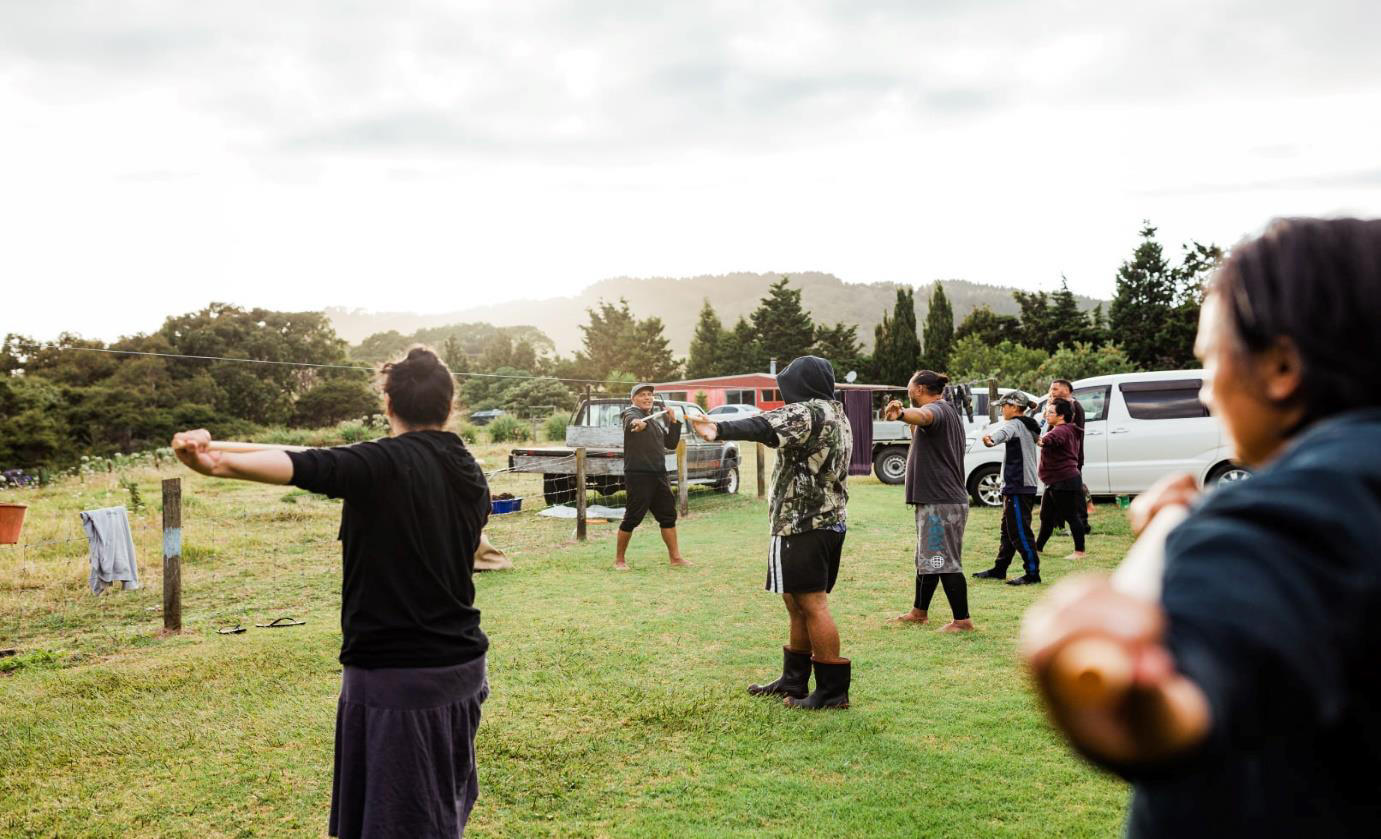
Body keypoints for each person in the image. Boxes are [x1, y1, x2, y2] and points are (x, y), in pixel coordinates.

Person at [1021, 218, 1381, 837]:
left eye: (1210, 361)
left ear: (1282, 366)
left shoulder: (1286, 514)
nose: (1210, 394)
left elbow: (1200, 673)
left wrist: (1128, 690)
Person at [170, 347, 491, 839]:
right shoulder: (468, 469)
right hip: (461, 671)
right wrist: (217, 457)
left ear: (388, 403)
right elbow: (307, 460)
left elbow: (301, 465)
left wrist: (209, 460)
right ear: (450, 405)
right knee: (436, 813)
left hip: (398, 680)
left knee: (398, 824)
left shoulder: (379, 463)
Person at [690, 356, 853, 709]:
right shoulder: (834, 412)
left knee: (812, 603)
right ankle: (793, 680)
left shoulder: (810, 412)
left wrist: (717, 429)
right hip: (821, 521)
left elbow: (765, 424)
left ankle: (832, 692)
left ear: (802, 385)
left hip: (804, 522)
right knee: (797, 603)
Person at [886, 370, 974, 630]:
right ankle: (919, 611)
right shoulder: (946, 411)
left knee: (942, 560)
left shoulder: (937, 410)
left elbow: (924, 415)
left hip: (941, 502)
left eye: (909, 387)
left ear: (920, 389)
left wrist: (901, 414)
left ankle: (962, 620)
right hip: (937, 500)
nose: (908, 391)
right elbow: (921, 421)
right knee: (929, 557)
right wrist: (908, 418)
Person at [971, 390, 1043, 585]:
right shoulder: (1029, 425)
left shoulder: (1015, 424)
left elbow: (1001, 434)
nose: (1002, 409)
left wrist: (990, 440)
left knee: (1019, 531)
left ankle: (1032, 573)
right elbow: (1038, 439)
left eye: (1004, 406)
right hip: (1019, 485)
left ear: (1014, 407)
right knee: (1009, 530)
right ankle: (1000, 568)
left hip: (1018, 485)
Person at [615, 383, 689, 570]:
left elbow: (671, 443)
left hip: (658, 475)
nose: (648, 397)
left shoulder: (654, 420)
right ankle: (619, 560)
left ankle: (676, 558)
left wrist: (673, 422)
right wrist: (638, 425)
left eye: (650, 395)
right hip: (639, 475)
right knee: (633, 517)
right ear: (633, 399)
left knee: (667, 516)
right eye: (642, 395)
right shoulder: (631, 414)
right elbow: (632, 423)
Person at [1035, 397, 1087, 559]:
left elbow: (1043, 441)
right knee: (1046, 517)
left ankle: (1079, 552)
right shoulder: (1068, 428)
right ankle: (1038, 548)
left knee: (1071, 516)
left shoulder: (1060, 431)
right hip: (1054, 481)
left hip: (1064, 480)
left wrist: (1032, 432)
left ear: (1061, 416)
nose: (1046, 414)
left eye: (1050, 412)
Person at [1047, 378, 1089, 535]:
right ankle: (1058, 524)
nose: (1052, 392)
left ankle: (1082, 524)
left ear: (1067, 390)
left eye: (1055, 389)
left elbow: (1068, 432)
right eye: (1051, 389)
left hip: (1070, 458)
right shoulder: (1058, 406)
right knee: (1055, 491)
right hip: (1057, 459)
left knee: (1074, 492)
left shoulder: (1073, 407)